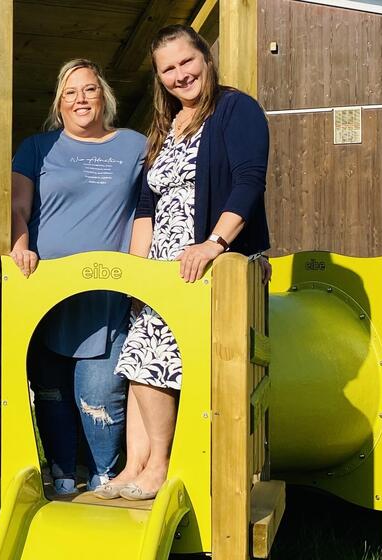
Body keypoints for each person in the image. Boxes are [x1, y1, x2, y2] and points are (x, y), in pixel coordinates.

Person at [96, 24, 270, 501]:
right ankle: (135, 465)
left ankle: (162, 465)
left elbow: (248, 181)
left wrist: (215, 243)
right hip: (158, 269)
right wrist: (136, 271)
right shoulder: (166, 127)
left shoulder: (236, 109)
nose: (180, 75)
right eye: (168, 69)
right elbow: (146, 204)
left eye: (186, 62)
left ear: (205, 59)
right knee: (137, 363)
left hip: (203, 262)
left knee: (156, 360)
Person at [10, 59, 147, 495]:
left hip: (108, 294)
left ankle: (106, 473)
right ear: (59, 102)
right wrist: (20, 243)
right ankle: (63, 475)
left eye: (89, 90)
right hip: (47, 292)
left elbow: (156, 206)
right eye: (71, 93)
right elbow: (17, 207)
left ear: (104, 96)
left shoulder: (135, 145)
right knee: (50, 392)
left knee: (100, 396)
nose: (81, 99)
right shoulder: (38, 147)